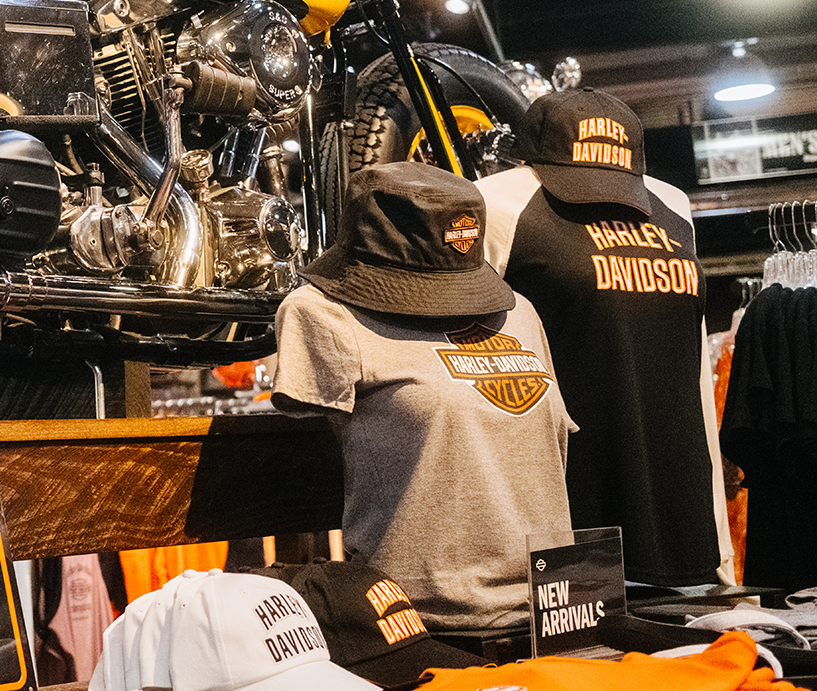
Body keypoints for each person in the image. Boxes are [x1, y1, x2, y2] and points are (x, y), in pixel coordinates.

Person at [272, 162, 573, 630]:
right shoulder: (320, 315)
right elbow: (301, 463)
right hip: (423, 622)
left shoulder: (521, 314)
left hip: (558, 608)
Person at [474, 88, 733, 586]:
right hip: (571, 523)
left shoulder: (673, 206)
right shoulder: (498, 203)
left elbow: (694, 371)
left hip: (681, 522)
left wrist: (720, 541)